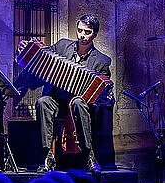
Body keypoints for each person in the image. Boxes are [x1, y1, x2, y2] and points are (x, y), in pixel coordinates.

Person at [17, 14, 112, 173]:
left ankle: (89, 156)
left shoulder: (102, 61)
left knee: (78, 103)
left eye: (87, 32)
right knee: (43, 102)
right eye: (80, 30)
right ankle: (47, 156)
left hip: (80, 104)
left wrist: (104, 91)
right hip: (58, 100)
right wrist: (29, 48)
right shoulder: (62, 46)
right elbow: (43, 55)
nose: (82, 35)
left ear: (95, 34)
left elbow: (103, 90)